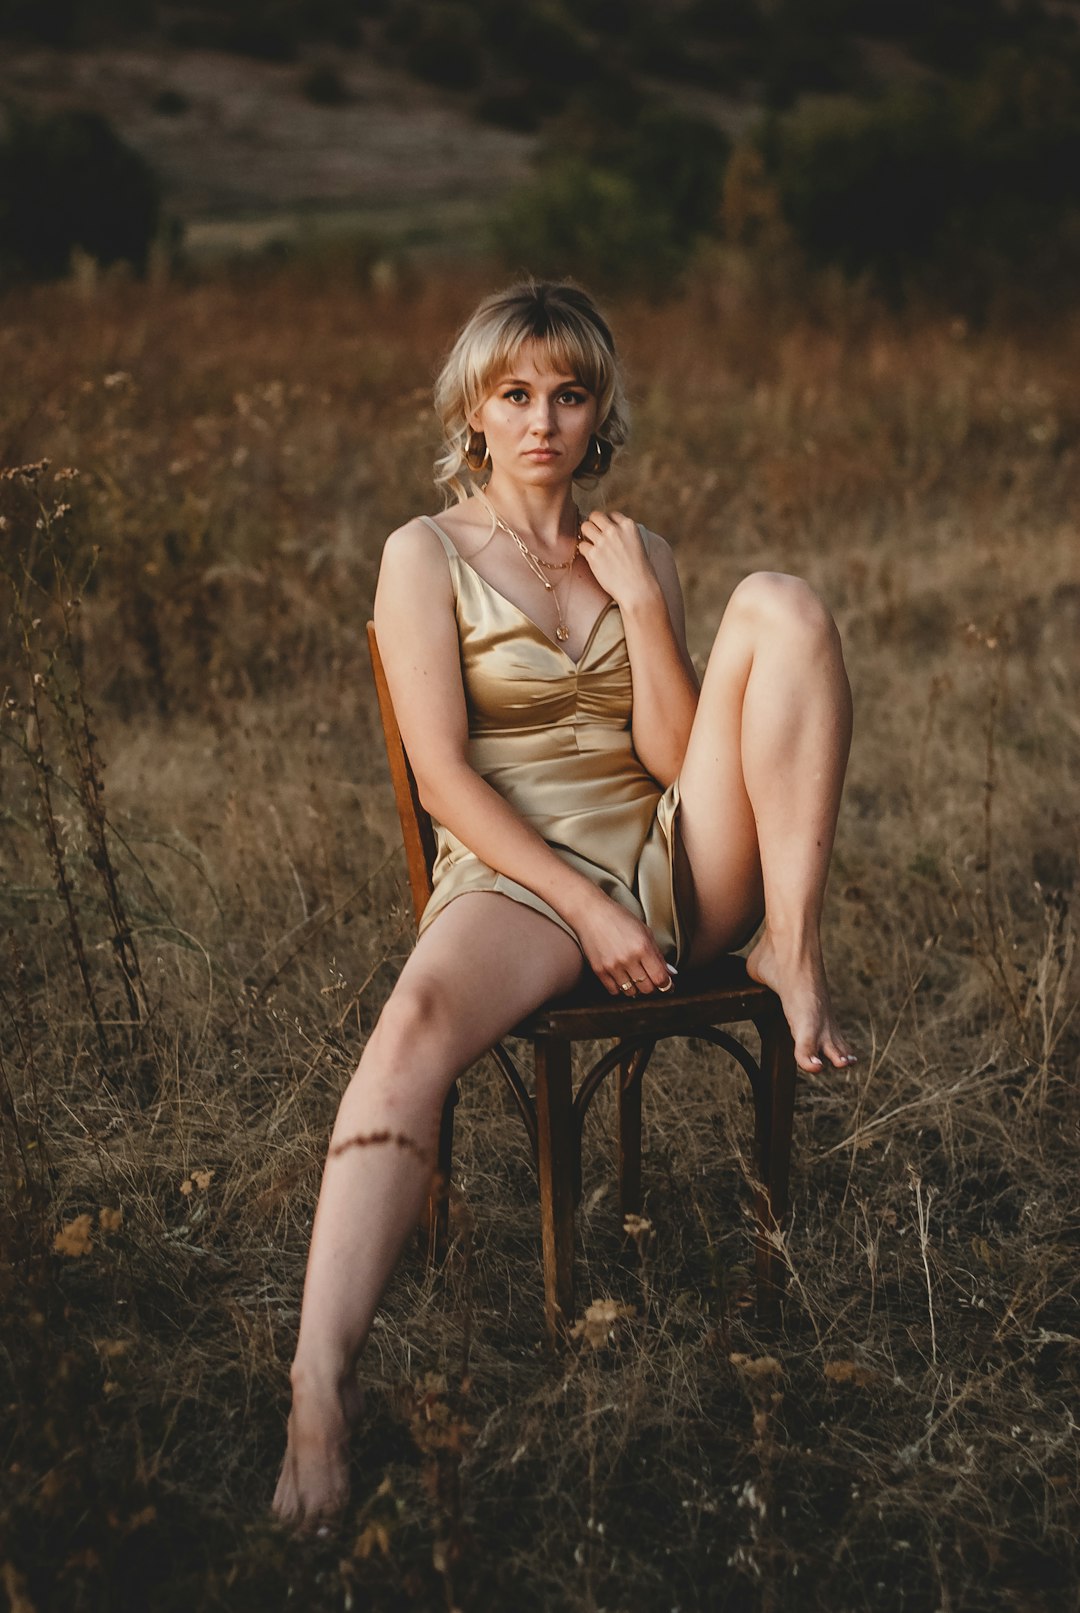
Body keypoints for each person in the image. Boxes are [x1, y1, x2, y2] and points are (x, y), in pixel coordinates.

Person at [273, 279, 855, 1527]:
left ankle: (788, 950)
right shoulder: (422, 554)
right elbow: (442, 777)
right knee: (415, 1025)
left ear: (600, 413)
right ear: (474, 411)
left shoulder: (641, 552)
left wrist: (644, 606)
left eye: (571, 394)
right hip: (522, 869)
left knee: (787, 601)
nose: (544, 420)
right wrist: (586, 913)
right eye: (517, 394)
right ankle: (319, 1388)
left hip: (670, 851)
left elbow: (678, 757)